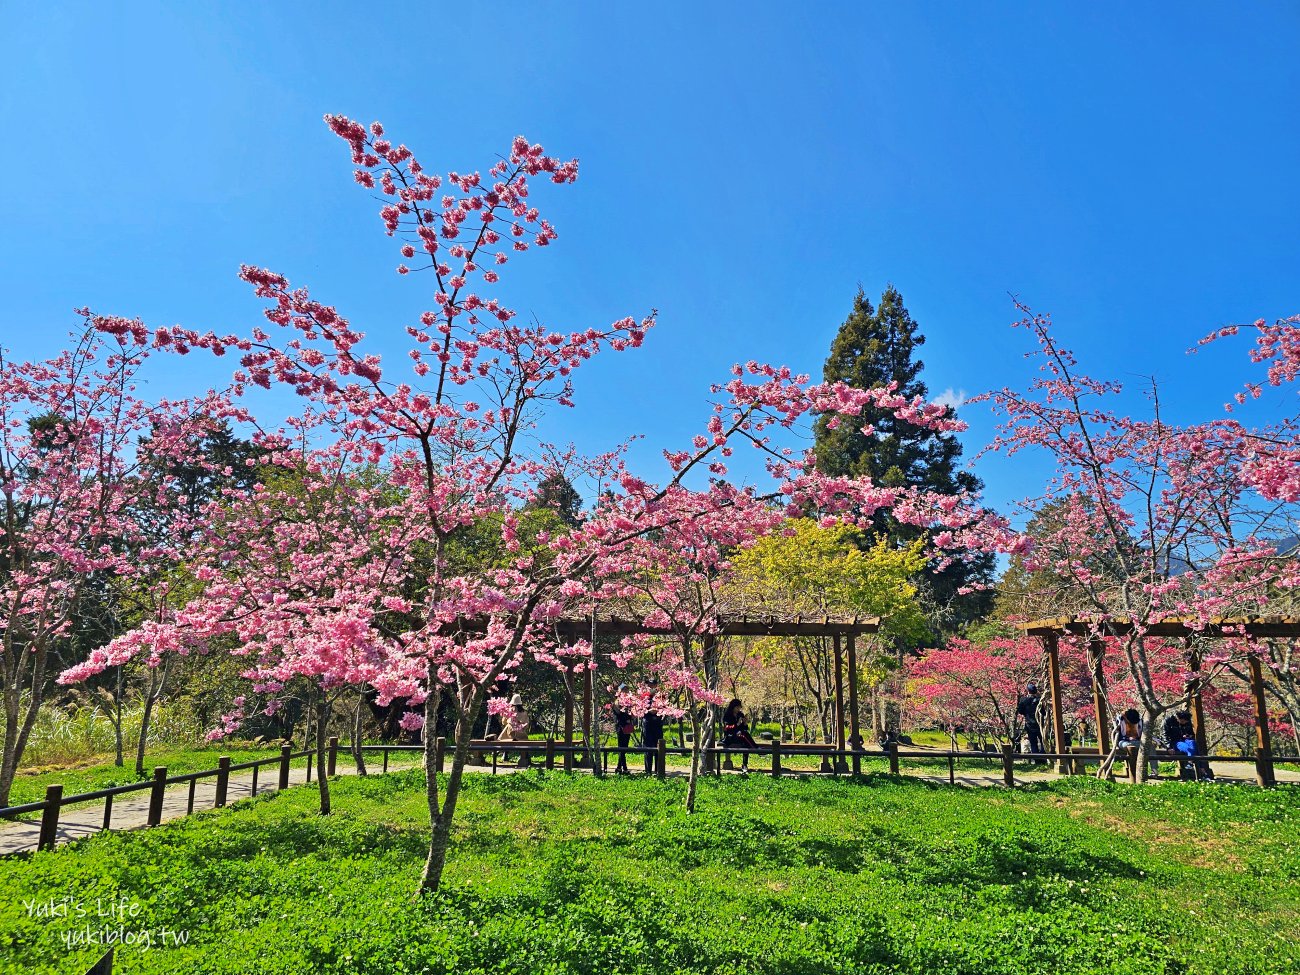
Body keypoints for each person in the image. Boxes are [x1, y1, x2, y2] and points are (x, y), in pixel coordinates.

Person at [1163, 709, 1214, 781]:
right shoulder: (1169, 720)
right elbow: (1165, 735)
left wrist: (1188, 736)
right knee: (1191, 749)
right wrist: (1168, 747)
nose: (1184, 723)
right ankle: (1204, 773)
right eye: (1183, 721)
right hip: (1176, 741)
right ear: (1179, 718)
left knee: (1193, 743)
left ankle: (1190, 763)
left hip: (1186, 739)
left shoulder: (1187, 720)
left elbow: (1191, 734)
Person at [722, 698, 759, 771]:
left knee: (745, 741)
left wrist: (745, 723)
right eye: (737, 707)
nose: (738, 709)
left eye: (739, 707)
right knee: (744, 735)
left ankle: (744, 764)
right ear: (733, 707)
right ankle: (756, 749)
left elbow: (744, 728)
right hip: (730, 737)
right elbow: (727, 728)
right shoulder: (727, 715)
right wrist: (737, 724)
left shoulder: (740, 714)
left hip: (740, 736)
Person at [1016, 682, 1044, 757]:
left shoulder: (1024, 700)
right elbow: (1044, 712)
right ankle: (1043, 757)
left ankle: (1036, 759)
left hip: (1029, 724)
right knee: (1043, 741)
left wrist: (1026, 713)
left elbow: (1020, 711)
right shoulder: (1040, 700)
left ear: (1028, 691)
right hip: (1040, 724)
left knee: (1033, 742)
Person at [642, 685, 665, 774]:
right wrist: (648, 710)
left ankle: (658, 770)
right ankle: (648, 770)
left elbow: (664, 708)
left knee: (659, 747)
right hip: (647, 724)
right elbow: (640, 709)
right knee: (648, 748)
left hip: (657, 724)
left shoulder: (661, 697)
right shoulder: (644, 696)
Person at [612, 685, 635, 775]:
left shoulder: (629, 702)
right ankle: (624, 768)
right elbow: (618, 713)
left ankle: (619, 767)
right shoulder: (617, 702)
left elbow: (632, 714)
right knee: (621, 746)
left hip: (628, 726)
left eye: (627, 689)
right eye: (623, 690)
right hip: (621, 726)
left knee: (624, 747)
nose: (625, 691)